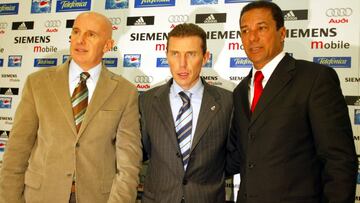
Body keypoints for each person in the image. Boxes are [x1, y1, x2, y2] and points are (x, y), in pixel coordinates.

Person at [0, 12, 142, 203]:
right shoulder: (38, 83)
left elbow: (128, 164)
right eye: (76, 32)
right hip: (41, 196)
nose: (80, 40)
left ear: (108, 45)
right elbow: (16, 152)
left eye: (91, 35)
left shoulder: (125, 91)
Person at [226, 1, 357, 202]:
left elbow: (339, 160)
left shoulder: (315, 79)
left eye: (261, 28)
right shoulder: (240, 91)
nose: (252, 37)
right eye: (245, 30)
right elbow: (237, 157)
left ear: (282, 33)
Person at [139, 23, 233, 203]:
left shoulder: (228, 102)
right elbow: (142, 151)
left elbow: (234, 158)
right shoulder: (147, 101)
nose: (182, 63)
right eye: (175, 54)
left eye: (191, 54)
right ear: (167, 56)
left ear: (205, 57)